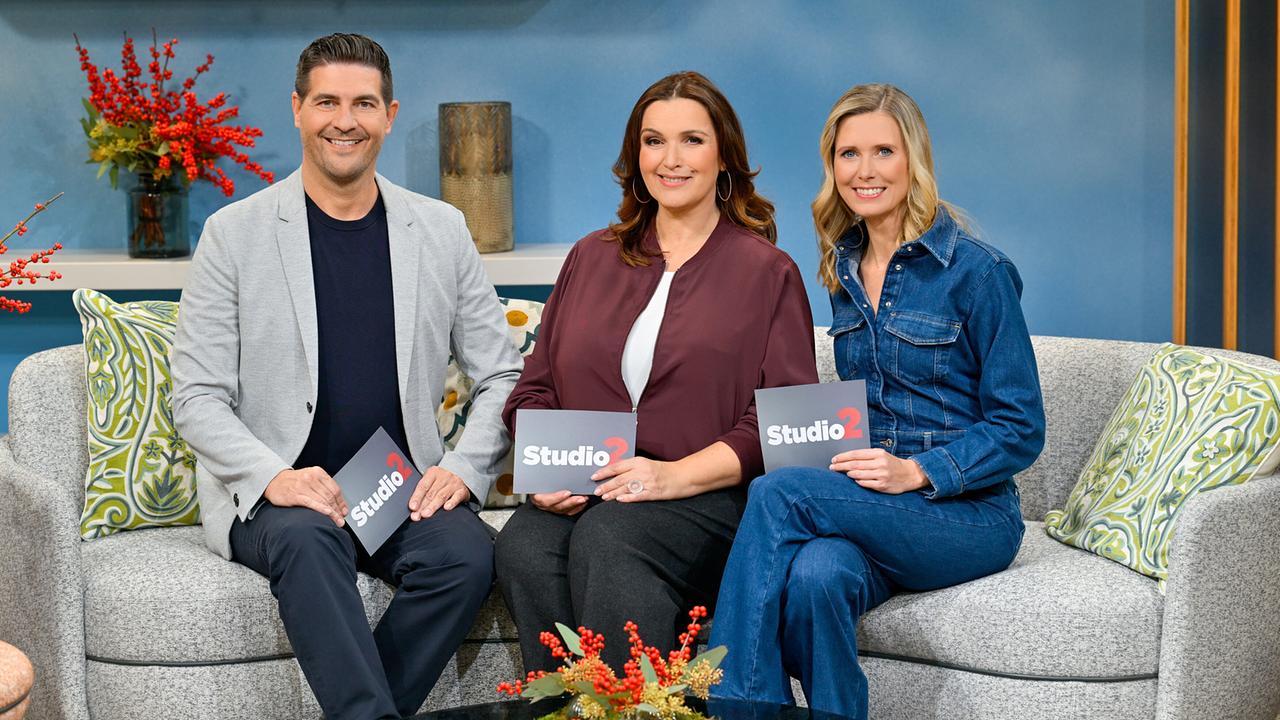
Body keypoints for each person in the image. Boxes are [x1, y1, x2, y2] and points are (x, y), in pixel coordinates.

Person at [171, 33, 521, 720]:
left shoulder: (442, 229)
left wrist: (465, 468)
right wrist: (275, 478)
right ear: (298, 110)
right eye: (327, 100)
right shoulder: (232, 233)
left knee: (467, 557)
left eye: (364, 103)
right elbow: (197, 398)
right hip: (279, 491)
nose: (345, 119)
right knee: (310, 538)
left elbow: (503, 374)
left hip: (394, 485)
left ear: (390, 115)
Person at [708, 83, 1046, 718]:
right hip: (873, 502)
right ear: (831, 166)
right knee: (816, 578)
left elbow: (1021, 426)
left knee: (778, 493)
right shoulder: (844, 265)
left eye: (883, 152)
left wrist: (917, 470)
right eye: (847, 154)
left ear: (913, 160)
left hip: (966, 515)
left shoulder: (978, 272)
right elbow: (866, 403)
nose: (864, 172)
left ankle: (737, 702)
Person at [494, 71, 817, 674]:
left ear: (725, 157)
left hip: (708, 494)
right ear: (634, 154)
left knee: (612, 537)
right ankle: (572, 712)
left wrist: (673, 476)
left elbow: (786, 420)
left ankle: (640, 711)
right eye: (653, 141)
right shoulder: (590, 257)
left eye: (691, 140)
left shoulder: (767, 271)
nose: (670, 160)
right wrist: (546, 474)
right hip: (595, 484)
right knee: (525, 546)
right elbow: (534, 389)